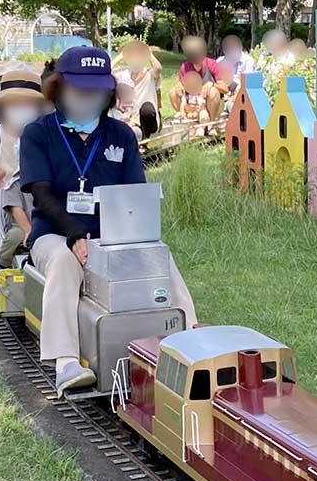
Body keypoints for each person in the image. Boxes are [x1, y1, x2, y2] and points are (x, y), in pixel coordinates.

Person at [19, 45, 197, 395]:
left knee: (160, 256)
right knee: (63, 262)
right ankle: (65, 361)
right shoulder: (38, 134)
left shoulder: (121, 135)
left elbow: (134, 195)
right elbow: (41, 194)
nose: (88, 97)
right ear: (59, 88)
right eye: (79, 89)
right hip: (55, 232)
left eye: (96, 91)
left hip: (112, 235)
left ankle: (190, 335)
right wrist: (74, 232)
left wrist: (136, 239)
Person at [0, 69, 47, 271]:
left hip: (40, 204)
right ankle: (3, 250)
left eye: (28, 103)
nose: (21, 109)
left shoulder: (49, 137)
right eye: (14, 104)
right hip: (7, 210)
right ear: (2, 107)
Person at [111, 40, 162, 139]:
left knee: (147, 108)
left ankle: (145, 138)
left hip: (146, 120)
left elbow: (158, 68)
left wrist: (148, 52)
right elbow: (106, 71)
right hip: (127, 118)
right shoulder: (123, 74)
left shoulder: (150, 74)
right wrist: (122, 55)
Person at [169, 36, 221, 120]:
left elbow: (225, 88)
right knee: (173, 92)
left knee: (213, 92)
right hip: (191, 100)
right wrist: (179, 84)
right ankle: (185, 117)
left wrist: (212, 84)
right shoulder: (185, 66)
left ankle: (210, 122)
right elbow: (181, 84)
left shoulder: (212, 64)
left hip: (207, 101)